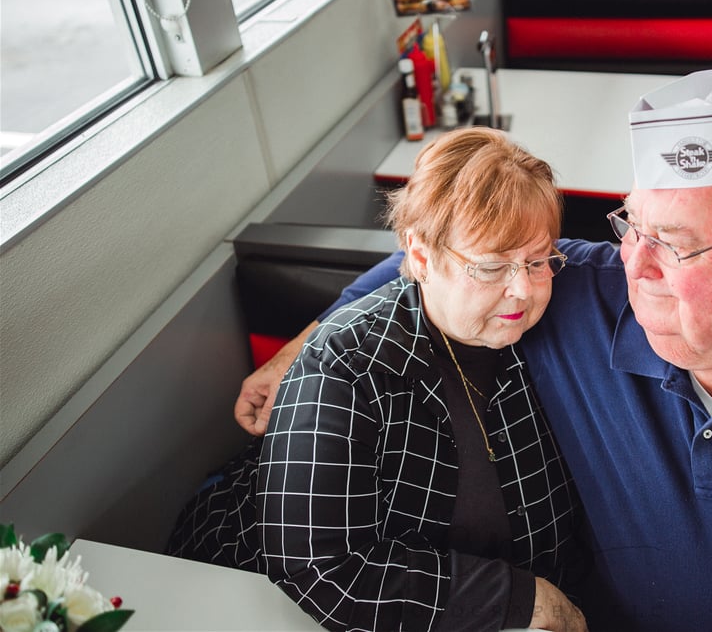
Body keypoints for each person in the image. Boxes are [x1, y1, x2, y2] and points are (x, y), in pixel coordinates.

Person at [236, 69, 712, 630]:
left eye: (674, 245)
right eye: (632, 227)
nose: (636, 266)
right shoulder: (573, 292)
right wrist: (298, 345)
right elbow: (437, 260)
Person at [172, 127, 587, 632]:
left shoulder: (553, 336)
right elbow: (318, 568)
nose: (522, 289)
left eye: (537, 260)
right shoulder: (345, 365)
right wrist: (523, 600)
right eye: (492, 266)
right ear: (419, 256)